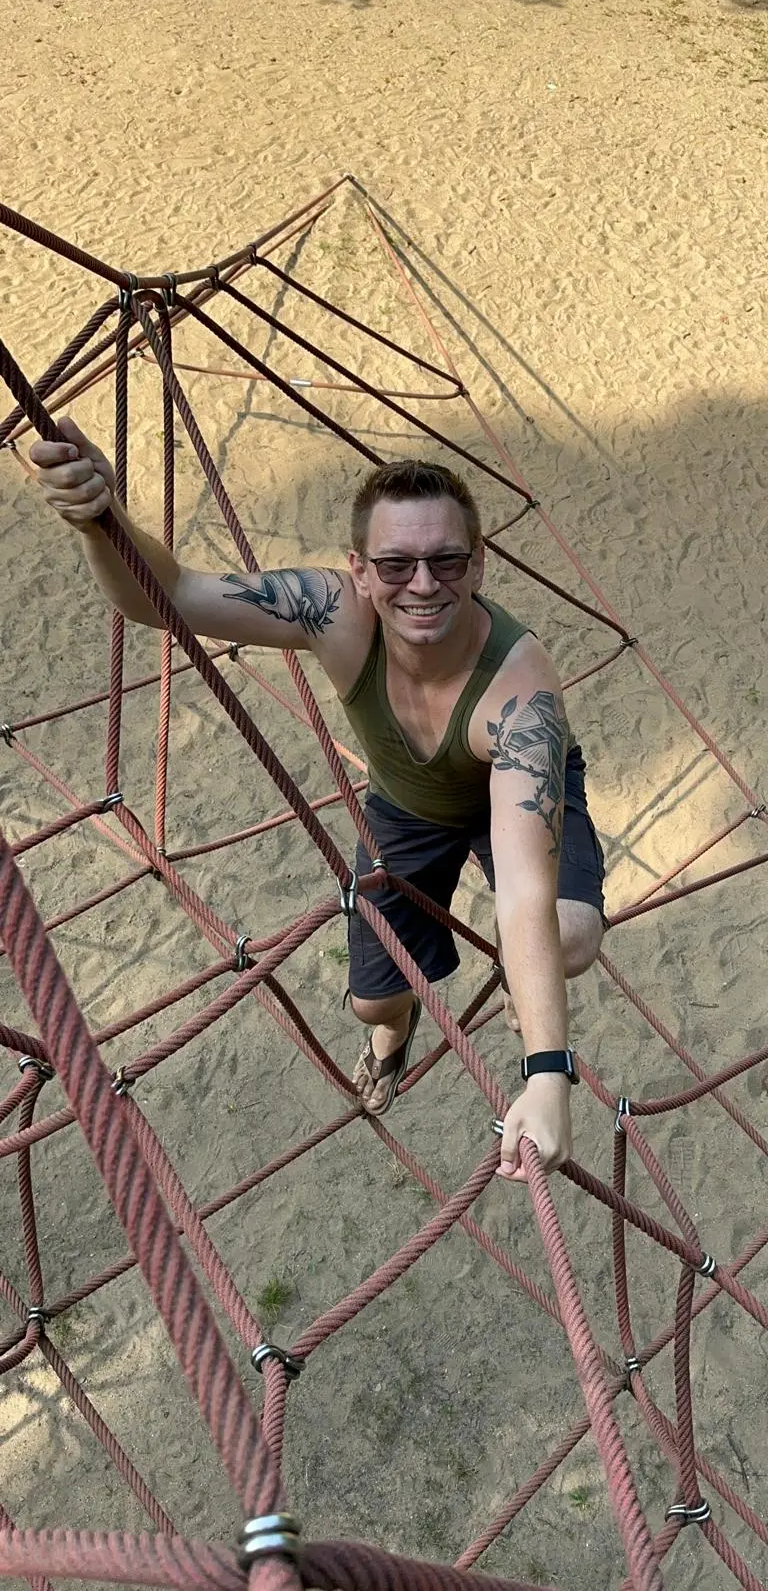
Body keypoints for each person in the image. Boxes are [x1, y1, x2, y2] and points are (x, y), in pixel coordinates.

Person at [30, 418, 607, 1182]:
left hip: (519, 793)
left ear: (480, 566)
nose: (424, 584)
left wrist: (546, 1070)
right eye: (396, 565)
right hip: (409, 809)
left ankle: (520, 987)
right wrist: (100, 519)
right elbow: (165, 596)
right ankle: (390, 1043)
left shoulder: (520, 694)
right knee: (376, 1002)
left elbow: (525, 885)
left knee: (563, 936)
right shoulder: (332, 612)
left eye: (446, 560)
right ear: (359, 571)